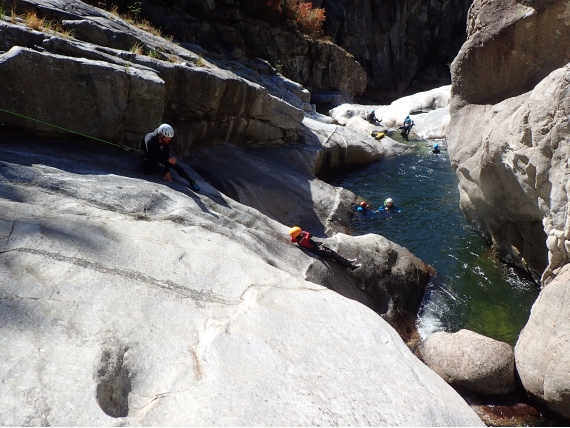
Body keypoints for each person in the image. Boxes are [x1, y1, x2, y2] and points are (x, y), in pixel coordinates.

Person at [140, 123, 200, 192]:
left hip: (158, 153)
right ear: (161, 135)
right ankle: (158, 165)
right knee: (149, 171)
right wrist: (167, 160)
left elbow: (166, 154)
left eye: (171, 137)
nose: (170, 139)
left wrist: (167, 171)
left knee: (174, 164)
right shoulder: (150, 139)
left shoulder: (166, 140)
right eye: (168, 137)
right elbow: (152, 158)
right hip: (147, 154)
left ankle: (191, 181)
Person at [289, 226, 361, 271]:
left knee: (334, 253)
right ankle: (351, 266)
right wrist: (302, 232)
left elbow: (296, 237)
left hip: (318, 247)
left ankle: (348, 261)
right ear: (298, 235)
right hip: (319, 251)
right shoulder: (303, 240)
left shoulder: (298, 239)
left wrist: (300, 233)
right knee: (335, 256)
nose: (302, 232)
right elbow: (309, 234)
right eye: (300, 232)